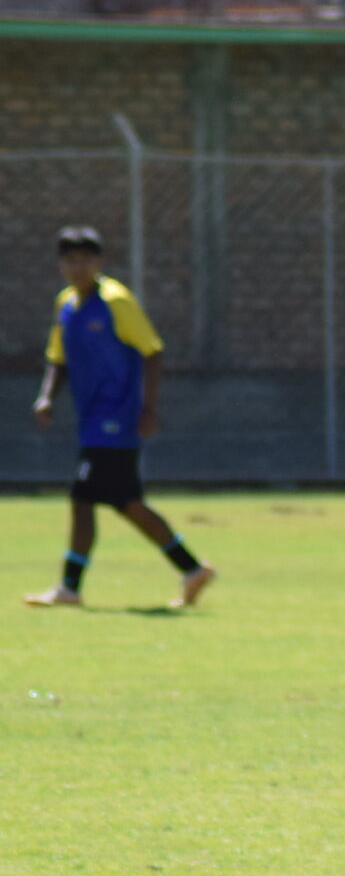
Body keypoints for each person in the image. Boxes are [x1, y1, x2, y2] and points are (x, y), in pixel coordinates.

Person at [24, 227, 215, 610]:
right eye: (70, 260)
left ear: (100, 262)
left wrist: (148, 407)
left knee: (84, 497)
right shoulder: (66, 304)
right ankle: (192, 569)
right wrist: (46, 397)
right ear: (61, 265)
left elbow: (152, 350)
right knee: (123, 501)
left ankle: (70, 588)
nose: (78, 267)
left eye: (85, 259)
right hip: (91, 418)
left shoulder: (116, 301)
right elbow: (57, 358)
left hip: (117, 417)